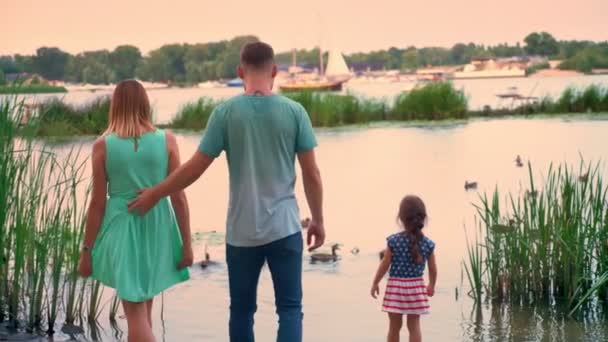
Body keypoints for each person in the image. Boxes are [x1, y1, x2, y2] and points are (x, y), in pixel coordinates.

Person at [127, 41, 325, 342]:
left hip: (241, 232)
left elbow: (195, 167)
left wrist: (155, 193)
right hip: (285, 228)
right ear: (274, 70)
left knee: (242, 311)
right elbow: (312, 173)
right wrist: (319, 220)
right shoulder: (295, 112)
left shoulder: (225, 113)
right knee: (290, 309)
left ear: (240, 71)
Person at [78, 80, 192, 342]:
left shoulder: (103, 145)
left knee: (136, 312)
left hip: (122, 227)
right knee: (143, 309)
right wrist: (186, 244)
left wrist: (87, 250)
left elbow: (97, 203)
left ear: (115, 105)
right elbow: (179, 198)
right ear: (145, 104)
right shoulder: (168, 141)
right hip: (158, 226)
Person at [371, 195, 437, 342]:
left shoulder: (393, 241)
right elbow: (433, 268)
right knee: (414, 326)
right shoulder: (428, 244)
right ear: (423, 219)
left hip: (396, 289)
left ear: (400, 218)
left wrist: (375, 282)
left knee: (394, 327)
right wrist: (432, 285)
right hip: (416, 288)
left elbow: (384, 264)